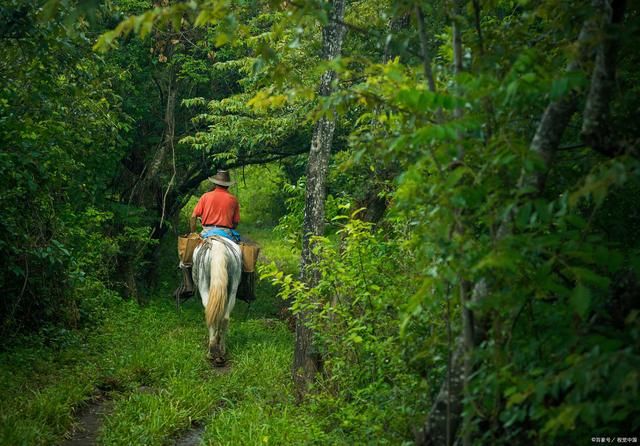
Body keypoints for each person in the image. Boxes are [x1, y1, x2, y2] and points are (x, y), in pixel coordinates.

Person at [190, 170, 241, 242]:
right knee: (239, 249)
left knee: (190, 248)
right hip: (226, 232)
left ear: (215, 184)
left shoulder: (205, 196)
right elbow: (235, 222)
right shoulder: (233, 200)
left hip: (207, 231)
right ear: (228, 185)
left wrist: (193, 233)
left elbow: (193, 217)